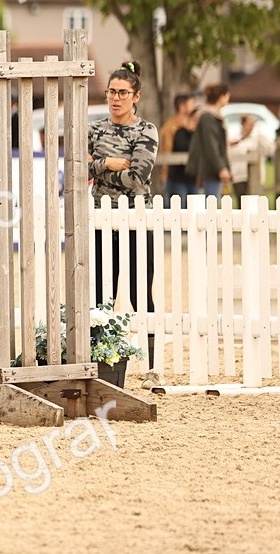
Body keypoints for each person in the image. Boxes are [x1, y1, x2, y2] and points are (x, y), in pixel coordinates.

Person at [88, 61, 159, 371]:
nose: (116, 98)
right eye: (111, 92)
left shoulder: (146, 131)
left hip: (135, 220)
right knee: (99, 294)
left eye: (122, 93)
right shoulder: (94, 129)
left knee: (140, 293)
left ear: (136, 96)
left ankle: (152, 364)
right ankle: (99, 359)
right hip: (100, 221)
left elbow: (137, 177)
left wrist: (98, 167)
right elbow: (77, 169)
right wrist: (107, 163)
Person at [186, 83, 231, 199]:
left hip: (211, 168)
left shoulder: (213, 116)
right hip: (209, 169)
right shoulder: (208, 117)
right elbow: (211, 145)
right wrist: (221, 168)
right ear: (221, 97)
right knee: (211, 203)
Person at [158, 93, 198, 206]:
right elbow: (166, 151)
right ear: (182, 107)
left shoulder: (194, 126)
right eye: (191, 104)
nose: (194, 107)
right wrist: (165, 176)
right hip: (176, 178)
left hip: (192, 177)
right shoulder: (171, 127)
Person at [230, 114, 273, 206]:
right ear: (243, 124)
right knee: (241, 203)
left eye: (253, 124)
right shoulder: (235, 137)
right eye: (250, 124)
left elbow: (270, 149)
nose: (252, 126)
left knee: (254, 202)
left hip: (254, 176)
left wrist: (261, 135)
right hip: (238, 175)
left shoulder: (257, 138)